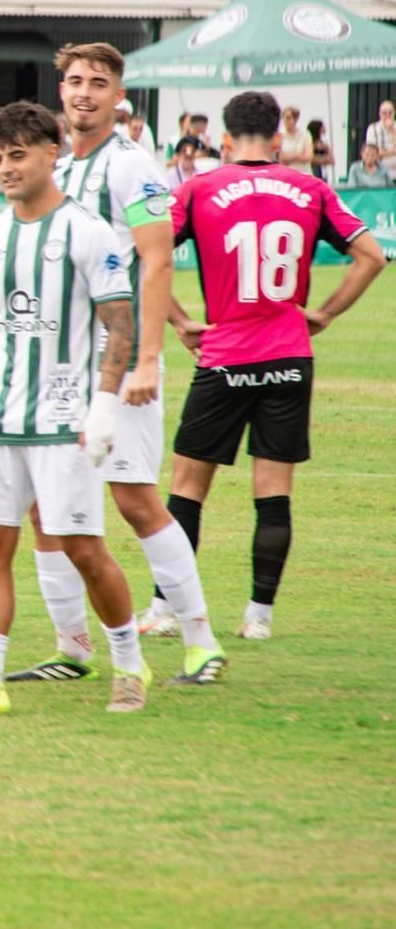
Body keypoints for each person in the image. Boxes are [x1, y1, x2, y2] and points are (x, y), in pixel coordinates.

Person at [0, 100, 150, 717]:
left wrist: (104, 406)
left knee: (82, 548)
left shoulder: (90, 233)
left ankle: (128, 664)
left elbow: (119, 327)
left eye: (17, 155)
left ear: (52, 153)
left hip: (62, 423)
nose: (5, 167)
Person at [10, 44, 223, 688]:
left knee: (133, 499)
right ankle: (72, 648)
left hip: (120, 361)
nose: (83, 93)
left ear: (117, 93)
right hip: (60, 367)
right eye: (74, 81)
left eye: (97, 83)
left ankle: (201, 642)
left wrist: (150, 357)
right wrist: (185, 321)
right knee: (48, 508)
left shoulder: (132, 166)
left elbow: (157, 260)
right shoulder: (53, 162)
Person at [165, 90, 384, 640]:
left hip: (224, 354)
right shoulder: (310, 188)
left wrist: (177, 319)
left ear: (225, 137)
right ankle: (258, 616)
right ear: (278, 137)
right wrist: (326, 314)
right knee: (273, 490)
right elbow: (372, 256)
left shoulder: (199, 188)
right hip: (289, 354)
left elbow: (146, 253)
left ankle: (169, 609)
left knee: (189, 487)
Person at [365, 100, 396, 180]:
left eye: (390, 113)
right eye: (384, 113)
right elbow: (373, 153)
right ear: (379, 114)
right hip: (380, 168)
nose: (387, 115)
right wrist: (393, 151)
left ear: (394, 113)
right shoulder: (373, 128)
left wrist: (391, 131)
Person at [278, 106, 313, 174]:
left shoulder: (305, 135)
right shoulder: (279, 135)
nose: (285, 120)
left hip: (303, 173)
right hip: (287, 174)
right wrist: (299, 155)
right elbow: (280, 158)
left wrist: (289, 156)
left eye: (288, 118)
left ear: (295, 119)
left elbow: (308, 157)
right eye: (283, 118)